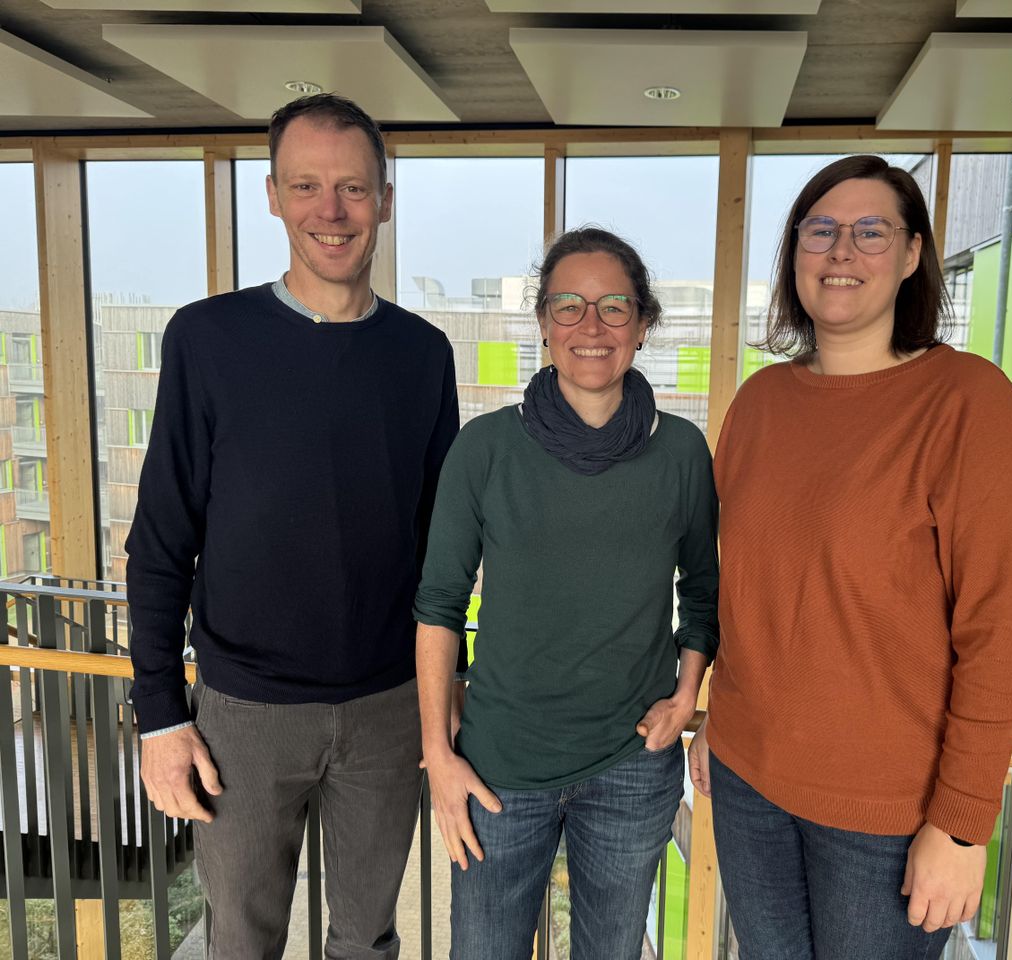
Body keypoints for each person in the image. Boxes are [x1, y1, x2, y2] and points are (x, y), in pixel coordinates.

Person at [688, 155, 1012, 959]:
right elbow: (747, 588)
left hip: (887, 816)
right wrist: (719, 716)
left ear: (913, 253)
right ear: (795, 253)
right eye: (820, 230)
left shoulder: (968, 403)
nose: (841, 251)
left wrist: (963, 824)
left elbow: (1004, 626)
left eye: (870, 231)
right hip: (748, 782)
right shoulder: (760, 404)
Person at [126, 93, 459, 958]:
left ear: (385, 199)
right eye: (306, 185)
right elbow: (161, 539)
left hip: (388, 707)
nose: (331, 211)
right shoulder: (208, 339)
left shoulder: (423, 355)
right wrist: (158, 715)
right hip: (243, 713)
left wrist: (444, 688)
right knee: (241, 941)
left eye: (353, 188)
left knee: (367, 940)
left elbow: (441, 551)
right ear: (272, 196)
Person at [414, 227, 718, 960]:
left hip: (631, 765)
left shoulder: (681, 451)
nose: (592, 325)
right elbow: (438, 605)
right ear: (543, 322)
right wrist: (438, 756)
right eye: (569, 305)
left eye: (614, 306)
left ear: (642, 325)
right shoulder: (485, 448)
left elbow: (705, 594)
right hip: (497, 767)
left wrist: (686, 697)